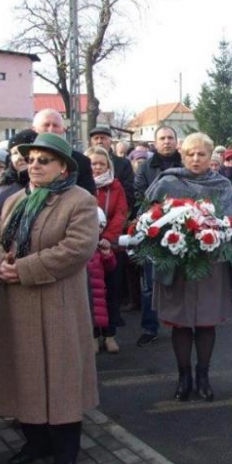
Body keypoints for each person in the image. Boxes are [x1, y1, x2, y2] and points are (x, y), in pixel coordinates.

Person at [0, 132, 98, 464]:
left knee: (61, 376)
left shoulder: (79, 201)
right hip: (17, 303)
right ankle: (35, 442)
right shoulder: (15, 200)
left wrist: (22, 269)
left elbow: (76, 249)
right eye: (31, 159)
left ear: (63, 167)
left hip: (58, 302)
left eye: (43, 160)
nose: (34, 165)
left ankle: (66, 448)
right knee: (26, 374)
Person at [145, 132, 232, 402]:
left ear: (211, 157)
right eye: (190, 154)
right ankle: (183, 376)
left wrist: (213, 232)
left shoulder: (221, 184)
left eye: (201, 154)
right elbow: (148, 217)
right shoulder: (167, 181)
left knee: (206, 322)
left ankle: (203, 375)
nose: (196, 159)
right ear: (182, 155)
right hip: (176, 264)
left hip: (210, 265)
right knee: (181, 323)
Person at [133, 126, 183, 347]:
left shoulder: (185, 163)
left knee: (181, 280)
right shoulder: (145, 167)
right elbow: (138, 196)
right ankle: (149, 327)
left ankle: (180, 323)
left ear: (176, 141)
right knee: (150, 284)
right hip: (153, 229)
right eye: (162, 138)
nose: (167, 142)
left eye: (170, 138)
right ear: (155, 142)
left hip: (183, 228)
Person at [85, 146, 129, 353]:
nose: (97, 168)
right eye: (93, 163)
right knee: (90, 294)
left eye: (102, 164)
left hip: (109, 248)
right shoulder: (81, 186)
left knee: (111, 292)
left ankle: (110, 334)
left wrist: (108, 239)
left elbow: (120, 214)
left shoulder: (116, 187)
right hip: (86, 248)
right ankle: (93, 335)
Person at [32, 108, 96, 195]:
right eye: (46, 125)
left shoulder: (81, 162)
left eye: (55, 125)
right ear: (34, 129)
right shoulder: (25, 157)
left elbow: (89, 197)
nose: (51, 130)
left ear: (63, 130)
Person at [88, 208, 118, 353]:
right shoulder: (84, 246)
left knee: (109, 310)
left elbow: (111, 266)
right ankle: (93, 337)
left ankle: (109, 336)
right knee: (90, 312)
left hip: (103, 286)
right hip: (88, 287)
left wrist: (107, 255)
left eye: (100, 226)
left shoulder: (102, 246)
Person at [0, 129, 35, 221]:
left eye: (24, 151)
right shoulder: (1, 188)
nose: (20, 157)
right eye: (15, 153)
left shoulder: (48, 187)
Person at [89, 126, 134, 208]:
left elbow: (128, 191)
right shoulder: (83, 162)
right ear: (91, 142)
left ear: (110, 142)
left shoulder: (123, 164)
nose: (99, 141)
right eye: (96, 138)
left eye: (103, 138)